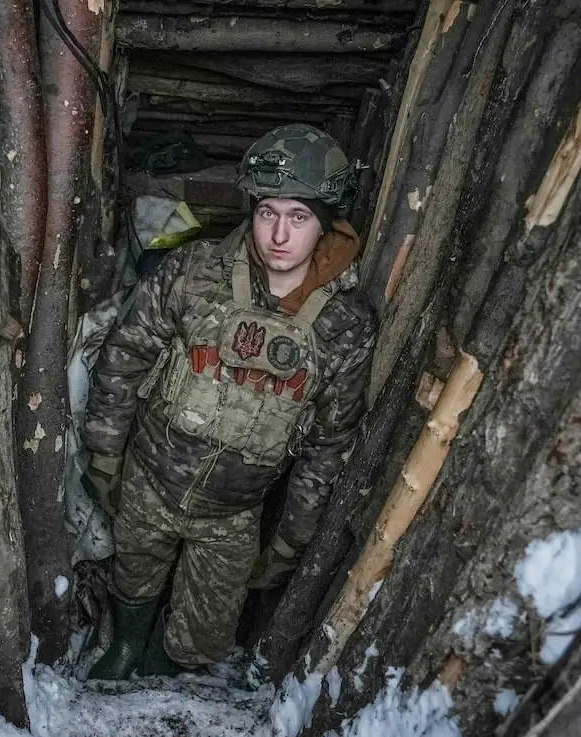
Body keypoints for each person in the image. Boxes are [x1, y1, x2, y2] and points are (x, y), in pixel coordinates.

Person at [82, 124, 377, 679]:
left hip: (235, 512)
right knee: (133, 574)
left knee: (202, 638)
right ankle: (124, 647)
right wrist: (104, 456)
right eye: (268, 212)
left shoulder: (344, 325)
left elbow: (328, 445)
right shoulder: (193, 272)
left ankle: (165, 663)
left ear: (327, 223)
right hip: (150, 475)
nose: (280, 235)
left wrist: (291, 539)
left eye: (299, 216)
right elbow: (124, 357)